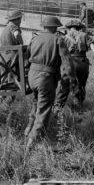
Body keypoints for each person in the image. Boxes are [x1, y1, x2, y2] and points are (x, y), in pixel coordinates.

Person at [24, 16, 76, 150]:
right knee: (44, 109)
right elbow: (67, 62)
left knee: (36, 102)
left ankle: (28, 129)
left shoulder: (34, 39)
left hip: (32, 76)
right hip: (45, 78)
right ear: (55, 27)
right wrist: (72, 78)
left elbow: (26, 58)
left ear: (44, 26)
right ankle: (32, 141)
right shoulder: (58, 40)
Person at [54, 19, 94, 112]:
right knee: (80, 85)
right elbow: (92, 46)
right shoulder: (84, 35)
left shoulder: (65, 37)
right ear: (79, 28)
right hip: (82, 62)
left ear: (69, 28)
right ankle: (78, 108)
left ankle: (58, 109)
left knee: (65, 85)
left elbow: (59, 52)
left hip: (69, 63)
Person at [0, 10, 23, 87]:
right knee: (14, 79)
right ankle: (12, 96)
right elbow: (16, 34)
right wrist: (21, 43)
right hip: (13, 56)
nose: (21, 21)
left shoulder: (6, 28)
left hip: (3, 56)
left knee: (5, 77)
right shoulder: (13, 26)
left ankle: (2, 96)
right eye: (20, 19)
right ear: (16, 19)